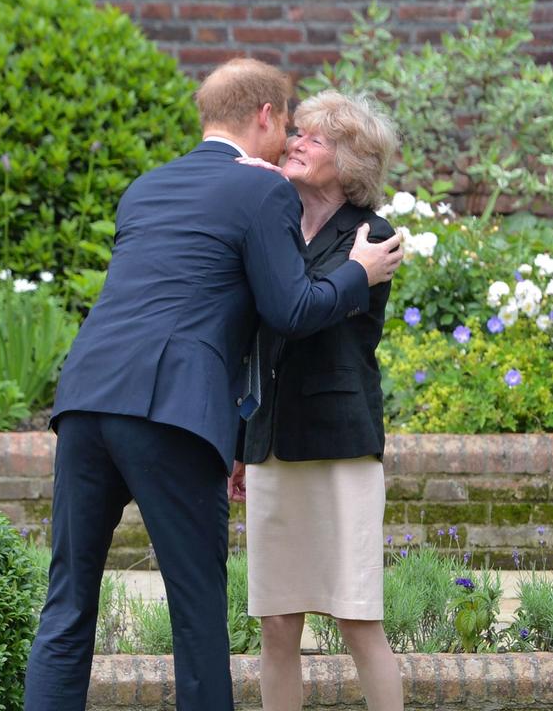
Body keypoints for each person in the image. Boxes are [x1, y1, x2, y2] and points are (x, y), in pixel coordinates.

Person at [23, 59, 403, 711]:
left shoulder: (146, 186)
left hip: (85, 399)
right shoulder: (263, 191)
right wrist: (357, 274)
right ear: (263, 116)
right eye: (287, 123)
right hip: (170, 411)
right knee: (198, 612)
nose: (290, 139)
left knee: (66, 604)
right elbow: (288, 308)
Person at [228, 90, 403, 711]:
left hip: (339, 447)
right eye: (295, 133)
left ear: (350, 160)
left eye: (315, 139)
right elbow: (257, 339)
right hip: (272, 446)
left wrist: (348, 268)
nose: (295, 142)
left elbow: (304, 313)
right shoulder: (274, 224)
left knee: (357, 620)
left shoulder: (373, 238)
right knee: (276, 624)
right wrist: (244, 443)